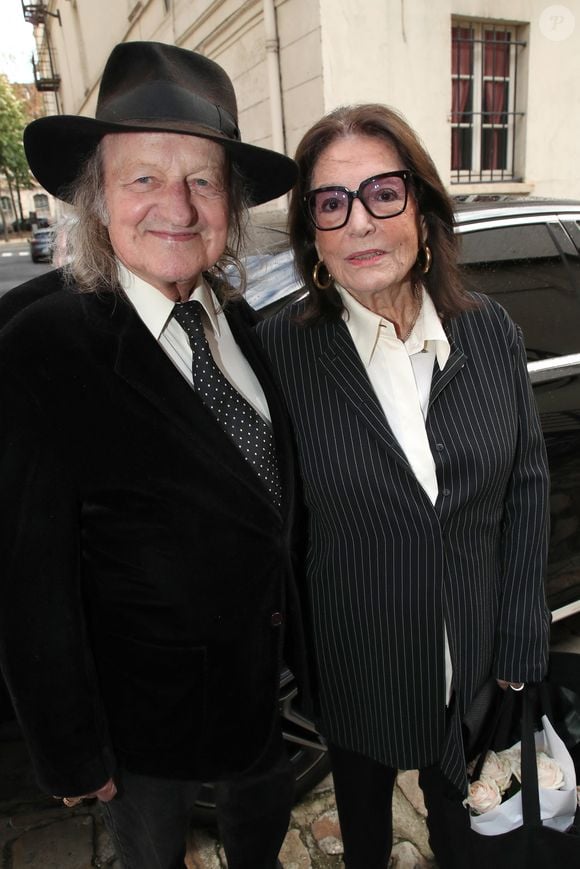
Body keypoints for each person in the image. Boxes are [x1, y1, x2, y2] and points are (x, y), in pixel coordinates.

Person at [0, 41, 306, 869]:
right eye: (143, 177)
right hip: (145, 743)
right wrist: (71, 752)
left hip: (259, 710)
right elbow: (30, 582)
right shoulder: (43, 348)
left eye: (202, 180)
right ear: (98, 200)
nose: (177, 204)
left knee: (260, 849)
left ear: (231, 205)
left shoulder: (240, 324)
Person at [257, 104, 550, 869]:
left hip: (475, 656)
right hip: (360, 664)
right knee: (363, 827)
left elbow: (525, 486)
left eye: (383, 192)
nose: (359, 221)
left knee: (467, 833)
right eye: (332, 203)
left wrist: (521, 636)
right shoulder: (283, 352)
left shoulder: (488, 330)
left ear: (421, 207)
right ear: (314, 235)